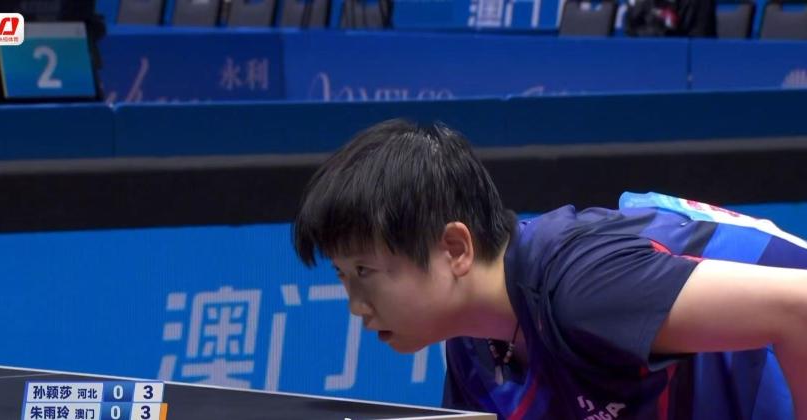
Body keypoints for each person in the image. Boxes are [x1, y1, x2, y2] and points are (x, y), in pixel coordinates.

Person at [293, 119, 807, 419]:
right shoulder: (475, 347)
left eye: (365, 271)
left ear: (454, 249)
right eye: (342, 275)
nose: (356, 306)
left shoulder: (584, 288)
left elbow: (798, 307)